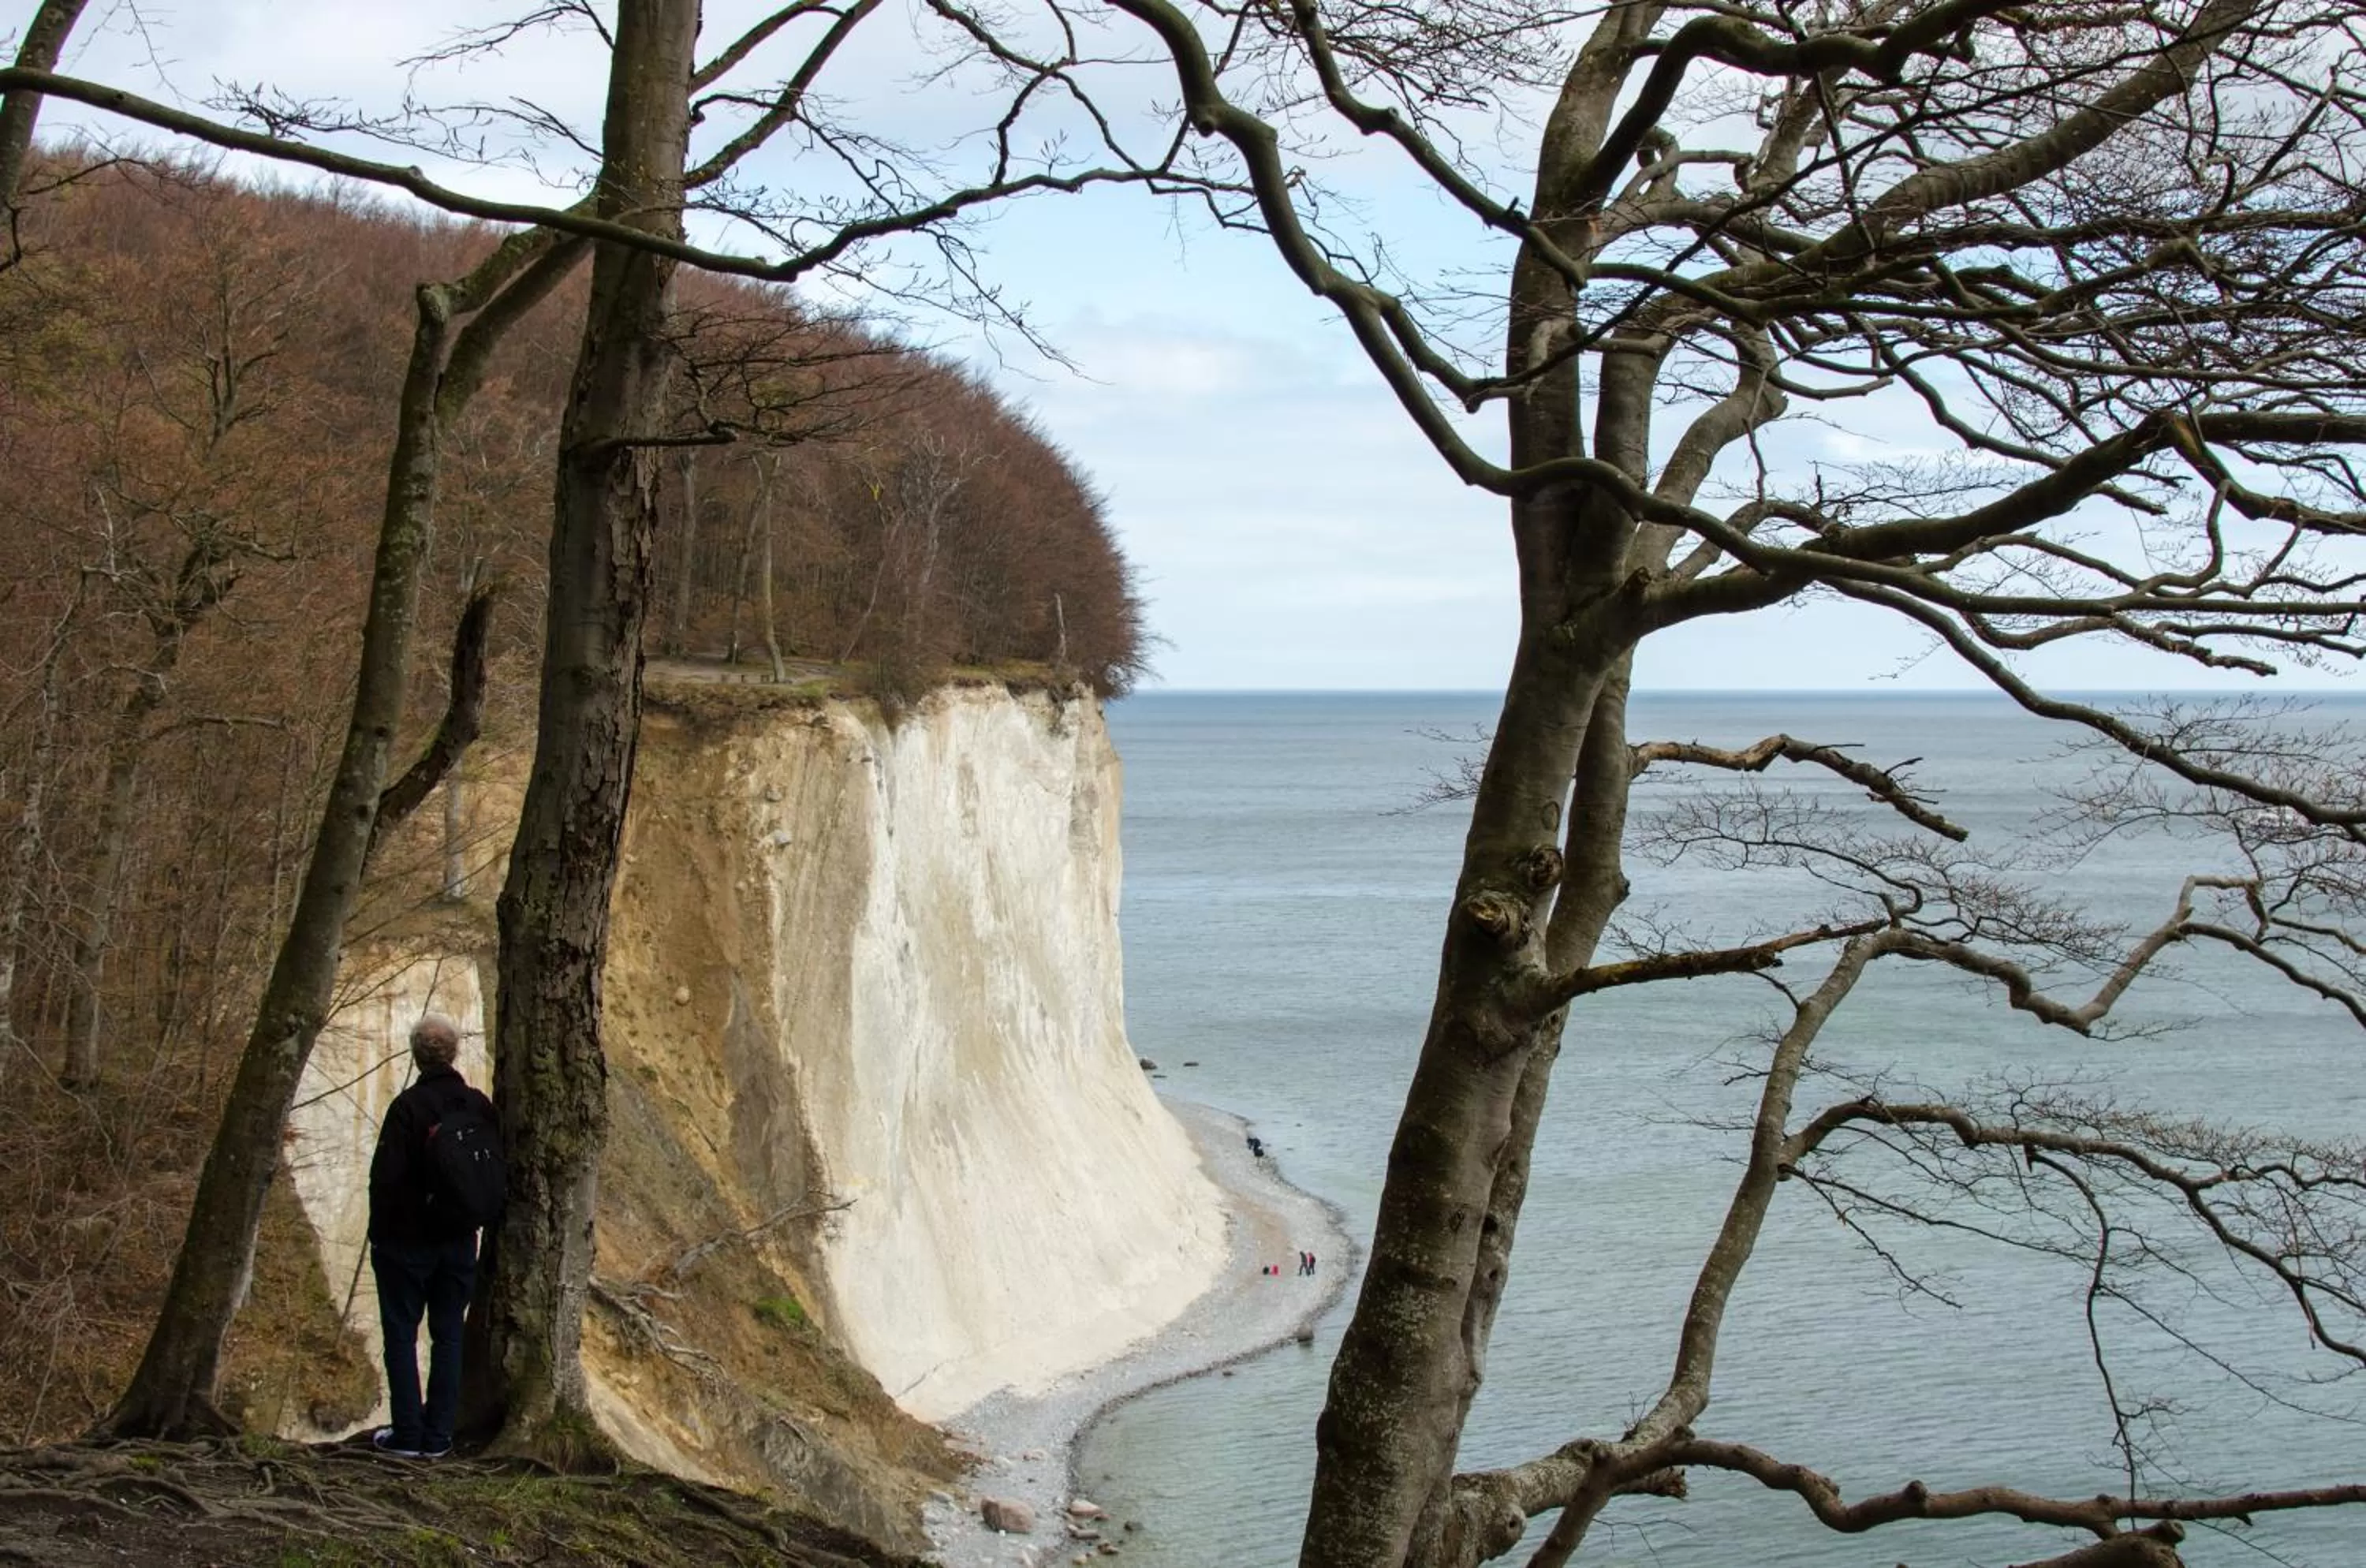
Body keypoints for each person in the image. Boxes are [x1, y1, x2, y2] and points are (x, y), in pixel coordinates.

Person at [367, 1013, 500, 1459]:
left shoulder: (407, 1109)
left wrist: (382, 1239)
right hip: (460, 1240)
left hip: (406, 1244)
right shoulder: (478, 1106)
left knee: (401, 1336)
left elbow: (386, 1182)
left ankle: (407, 1435)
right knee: (449, 1337)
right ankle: (439, 1435)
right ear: (456, 1052)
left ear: (415, 1055)